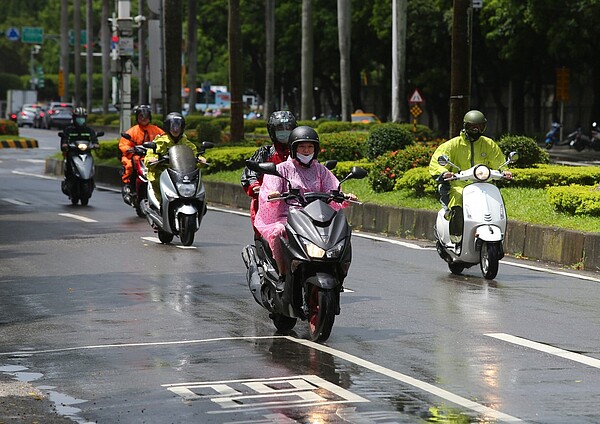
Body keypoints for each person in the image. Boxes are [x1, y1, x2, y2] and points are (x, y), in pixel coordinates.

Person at [254, 126, 358, 291]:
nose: (306, 150)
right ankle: (282, 275)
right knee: (277, 233)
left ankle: (338, 276)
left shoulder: (321, 170)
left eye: (310, 147)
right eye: (302, 146)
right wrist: (274, 194)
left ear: (315, 149)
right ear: (294, 148)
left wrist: (345, 197)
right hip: (288, 216)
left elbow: (334, 190)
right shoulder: (281, 169)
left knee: (342, 231)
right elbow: (269, 191)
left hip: (316, 216)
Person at [429, 109, 512, 241]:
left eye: (480, 127)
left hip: (484, 185)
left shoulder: (488, 144)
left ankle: (500, 237)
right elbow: (436, 162)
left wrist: (505, 171)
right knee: (457, 199)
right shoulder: (452, 145)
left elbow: (499, 162)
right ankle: (456, 237)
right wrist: (444, 173)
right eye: (473, 127)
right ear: (465, 126)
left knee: (496, 202)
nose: (476, 130)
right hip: (459, 186)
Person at [241, 110, 298, 236]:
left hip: (296, 201)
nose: (284, 132)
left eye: (288, 128)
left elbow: (315, 171)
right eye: (280, 128)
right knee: (268, 234)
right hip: (268, 202)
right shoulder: (264, 153)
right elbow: (250, 173)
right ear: (272, 131)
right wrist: (256, 186)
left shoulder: (300, 152)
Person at [144, 112, 205, 204]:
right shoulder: (161, 141)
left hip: (181, 173)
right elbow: (150, 156)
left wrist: (200, 159)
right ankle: (160, 203)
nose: (175, 129)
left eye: (178, 126)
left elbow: (194, 154)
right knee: (157, 181)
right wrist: (153, 159)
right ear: (168, 127)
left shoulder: (186, 142)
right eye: (173, 126)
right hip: (163, 172)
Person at [119, 105, 164, 201]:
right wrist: (129, 149)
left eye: (146, 116)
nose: (144, 119)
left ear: (150, 117)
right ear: (137, 117)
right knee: (130, 165)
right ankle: (130, 186)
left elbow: (165, 139)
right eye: (141, 116)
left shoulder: (156, 130)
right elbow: (124, 144)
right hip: (137, 157)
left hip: (153, 157)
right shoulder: (132, 131)